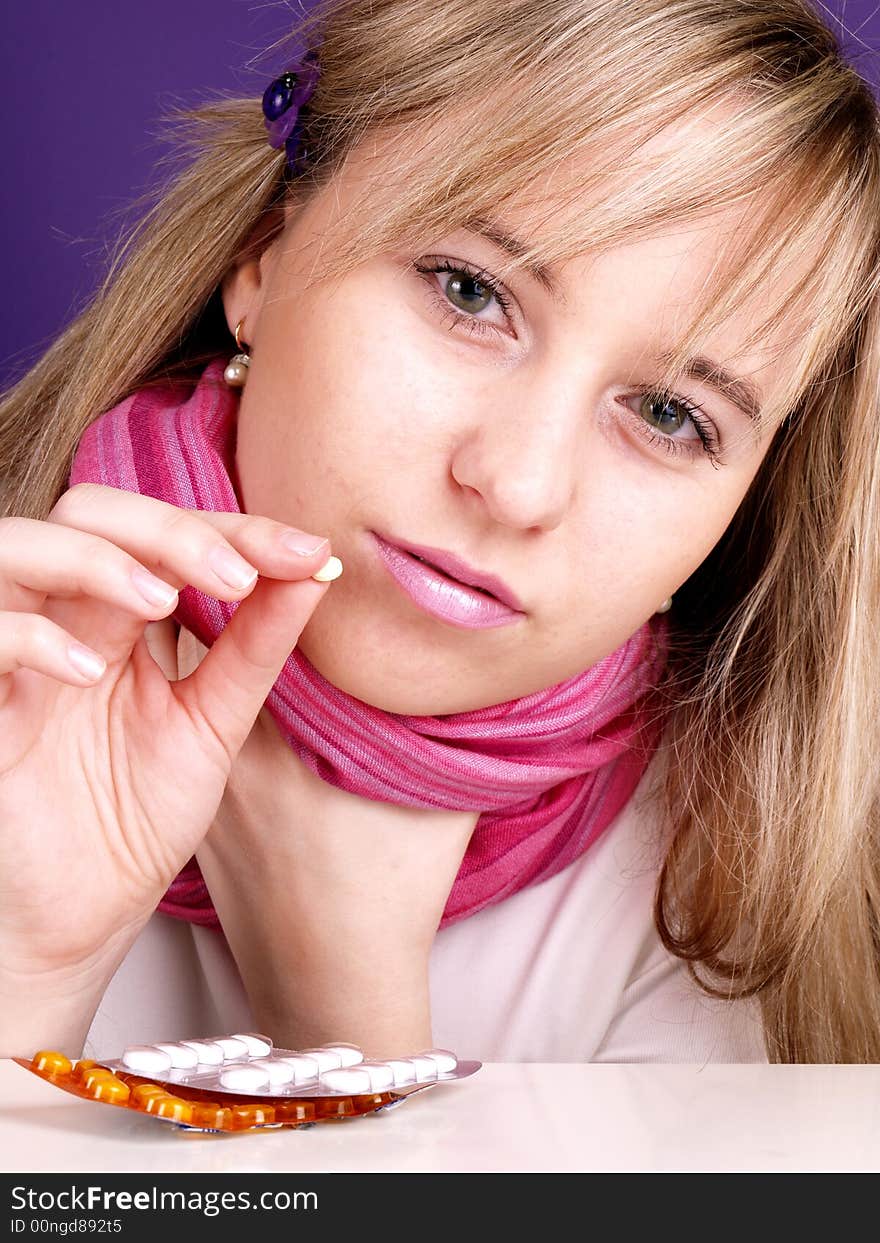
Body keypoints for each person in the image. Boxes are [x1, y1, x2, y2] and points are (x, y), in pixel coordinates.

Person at [1, 0, 879, 1068]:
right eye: (470, 293)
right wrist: (26, 967)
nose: (514, 483)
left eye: (667, 416)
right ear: (260, 260)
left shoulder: (737, 895)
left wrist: (340, 1007)